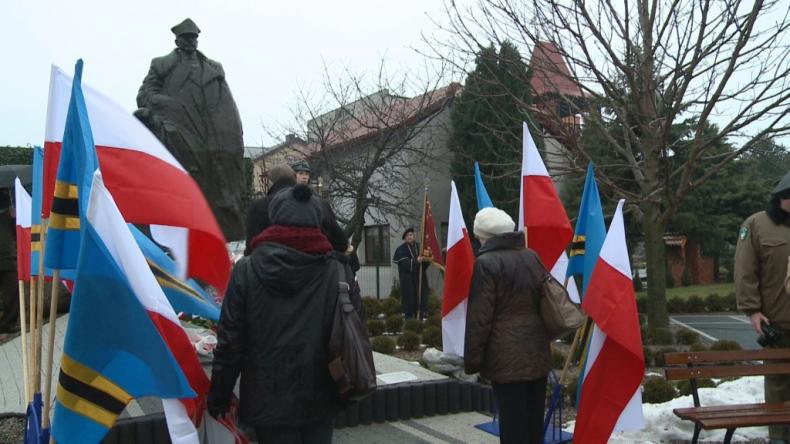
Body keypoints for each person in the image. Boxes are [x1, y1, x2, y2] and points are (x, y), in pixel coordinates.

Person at [209, 184, 361, 444]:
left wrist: (219, 395)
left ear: (274, 217)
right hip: (322, 395)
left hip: (267, 398)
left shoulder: (246, 271)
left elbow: (230, 342)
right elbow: (356, 331)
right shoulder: (339, 271)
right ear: (318, 220)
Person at [135, 18, 245, 241]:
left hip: (209, 131)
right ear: (177, 40)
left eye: (193, 38)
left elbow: (226, 104)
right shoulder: (162, 65)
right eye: (186, 38)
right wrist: (167, 104)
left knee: (214, 184)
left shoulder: (213, 68)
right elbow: (144, 95)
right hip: (178, 130)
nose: (190, 42)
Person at [464, 207, 550, 444]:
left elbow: (480, 319)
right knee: (533, 425)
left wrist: (472, 360)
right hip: (537, 351)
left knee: (512, 427)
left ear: (485, 236)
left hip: (505, 357)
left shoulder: (486, 263)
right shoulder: (531, 256)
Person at [735, 171, 790, 443]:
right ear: (784, 196)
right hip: (778, 323)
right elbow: (746, 270)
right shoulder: (757, 224)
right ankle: (779, 438)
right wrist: (752, 309)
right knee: (778, 386)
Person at [244, 164, 296, 255]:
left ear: (271, 181)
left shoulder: (259, 206)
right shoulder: (318, 203)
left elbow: (251, 245)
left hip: (269, 263)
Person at [392, 228, 430, 320]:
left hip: (419, 278)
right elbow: (405, 265)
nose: (410, 237)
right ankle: (409, 320)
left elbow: (424, 265)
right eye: (408, 235)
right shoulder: (401, 249)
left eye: (411, 235)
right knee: (409, 300)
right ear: (405, 238)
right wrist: (417, 260)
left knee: (421, 298)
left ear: (414, 236)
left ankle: (421, 318)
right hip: (408, 280)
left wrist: (426, 259)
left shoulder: (420, 247)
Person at [0, 189, 17, 333]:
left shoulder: (9, 214)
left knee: (12, 292)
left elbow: (17, 233)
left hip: (8, 258)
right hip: (8, 256)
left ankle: (7, 324)